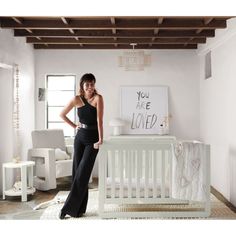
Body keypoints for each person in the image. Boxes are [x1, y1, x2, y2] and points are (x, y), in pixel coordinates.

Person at [59, 73, 104, 219]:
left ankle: (67, 208)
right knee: (77, 172)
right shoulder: (76, 99)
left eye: (92, 84)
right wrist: (74, 126)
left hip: (93, 140)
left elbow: (99, 121)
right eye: (87, 84)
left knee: (83, 173)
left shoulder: (98, 98)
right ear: (82, 86)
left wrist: (101, 140)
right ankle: (78, 209)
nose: (90, 87)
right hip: (79, 138)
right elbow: (62, 114)